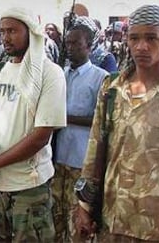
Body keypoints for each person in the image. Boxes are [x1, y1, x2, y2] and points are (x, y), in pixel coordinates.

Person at [74, 5, 159, 242]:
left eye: (151, 38)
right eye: (135, 38)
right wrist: (84, 206)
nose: (142, 46)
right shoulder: (112, 88)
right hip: (113, 221)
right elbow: (94, 152)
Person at [0, 7, 67, 242]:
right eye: (2, 31)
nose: (5, 37)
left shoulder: (49, 73)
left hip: (28, 187)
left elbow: (40, 136)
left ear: (30, 33)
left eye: (12, 31)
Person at [52, 23, 108, 242]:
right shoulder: (60, 75)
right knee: (56, 215)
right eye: (67, 43)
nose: (70, 47)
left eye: (76, 43)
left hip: (81, 160)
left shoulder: (100, 77)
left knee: (78, 220)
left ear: (89, 46)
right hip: (58, 158)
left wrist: (63, 118)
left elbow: (101, 120)